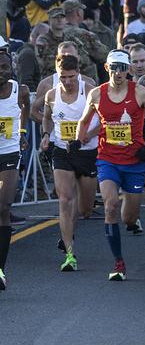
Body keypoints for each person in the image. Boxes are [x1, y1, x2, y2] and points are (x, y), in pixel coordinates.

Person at [77, 50, 145, 281]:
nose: (118, 72)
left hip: (134, 161)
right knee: (110, 206)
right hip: (107, 159)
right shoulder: (96, 94)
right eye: (114, 67)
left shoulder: (140, 92)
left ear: (128, 70)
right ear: (107, 68)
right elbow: (84, 121)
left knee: (128, 217)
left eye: (122, 68)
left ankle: (129, 209)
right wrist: (78, 141)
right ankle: (118, 262)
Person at [41, 54, 99, 272]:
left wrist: (87, 134)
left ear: (79, 73)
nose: (67, 81)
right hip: (62, 151)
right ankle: (70, 253)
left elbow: (105, 121)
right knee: (65, 199)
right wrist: (46, 134)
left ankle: (70, 232)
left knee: (84, 208)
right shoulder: (51, 95)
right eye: (63, 77)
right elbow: (47, 117)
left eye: (71, 77)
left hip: (86, 153)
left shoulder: (90, 90)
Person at [0, 51, 29, 290]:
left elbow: (25, 108)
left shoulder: (21, 90)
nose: (0, 71)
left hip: (9, 153)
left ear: (10, 68)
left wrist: (22, 133)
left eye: (4, 67)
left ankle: (0, 268)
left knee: (4, 206)